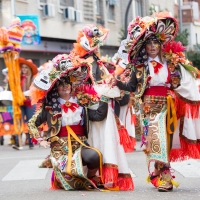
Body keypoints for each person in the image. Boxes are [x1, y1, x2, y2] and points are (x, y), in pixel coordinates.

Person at [110, 12, 183, 192]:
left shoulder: (170, 62)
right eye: (149, 43)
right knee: (156, 140)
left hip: (169, 105)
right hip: (150, 107)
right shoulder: (140, 66)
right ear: (144, 46)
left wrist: (177, 72)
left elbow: (178, 83)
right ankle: (165, 178)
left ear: (160, 45)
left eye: (155, 43)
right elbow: (131, 86)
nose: (152, 46)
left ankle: (159, 174)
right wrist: (117, 82)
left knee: (166, 141)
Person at [28, 54, 109, 190]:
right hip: (60, 148)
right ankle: (62, 174)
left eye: (67, 83)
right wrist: (40, 140)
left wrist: (106, 96)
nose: (65, 87)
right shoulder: (49, 107)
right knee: (71, 183)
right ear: (55, 88)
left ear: (72, 85)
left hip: (80, 144)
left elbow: (98, 115)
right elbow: (32, 123)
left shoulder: (82, 102)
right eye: (61, 85)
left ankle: (91, 177)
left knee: (96, 156)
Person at [12, 58, 38, 150]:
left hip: (29, 103)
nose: (23, 69)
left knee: (30, 122)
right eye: (22, 67)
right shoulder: (17, 78)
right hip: (19, 103)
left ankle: (31, 141)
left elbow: (34, 91)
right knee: (18, 122)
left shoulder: (32, 79)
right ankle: (17, 142)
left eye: (25, 67)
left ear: (28, 69)